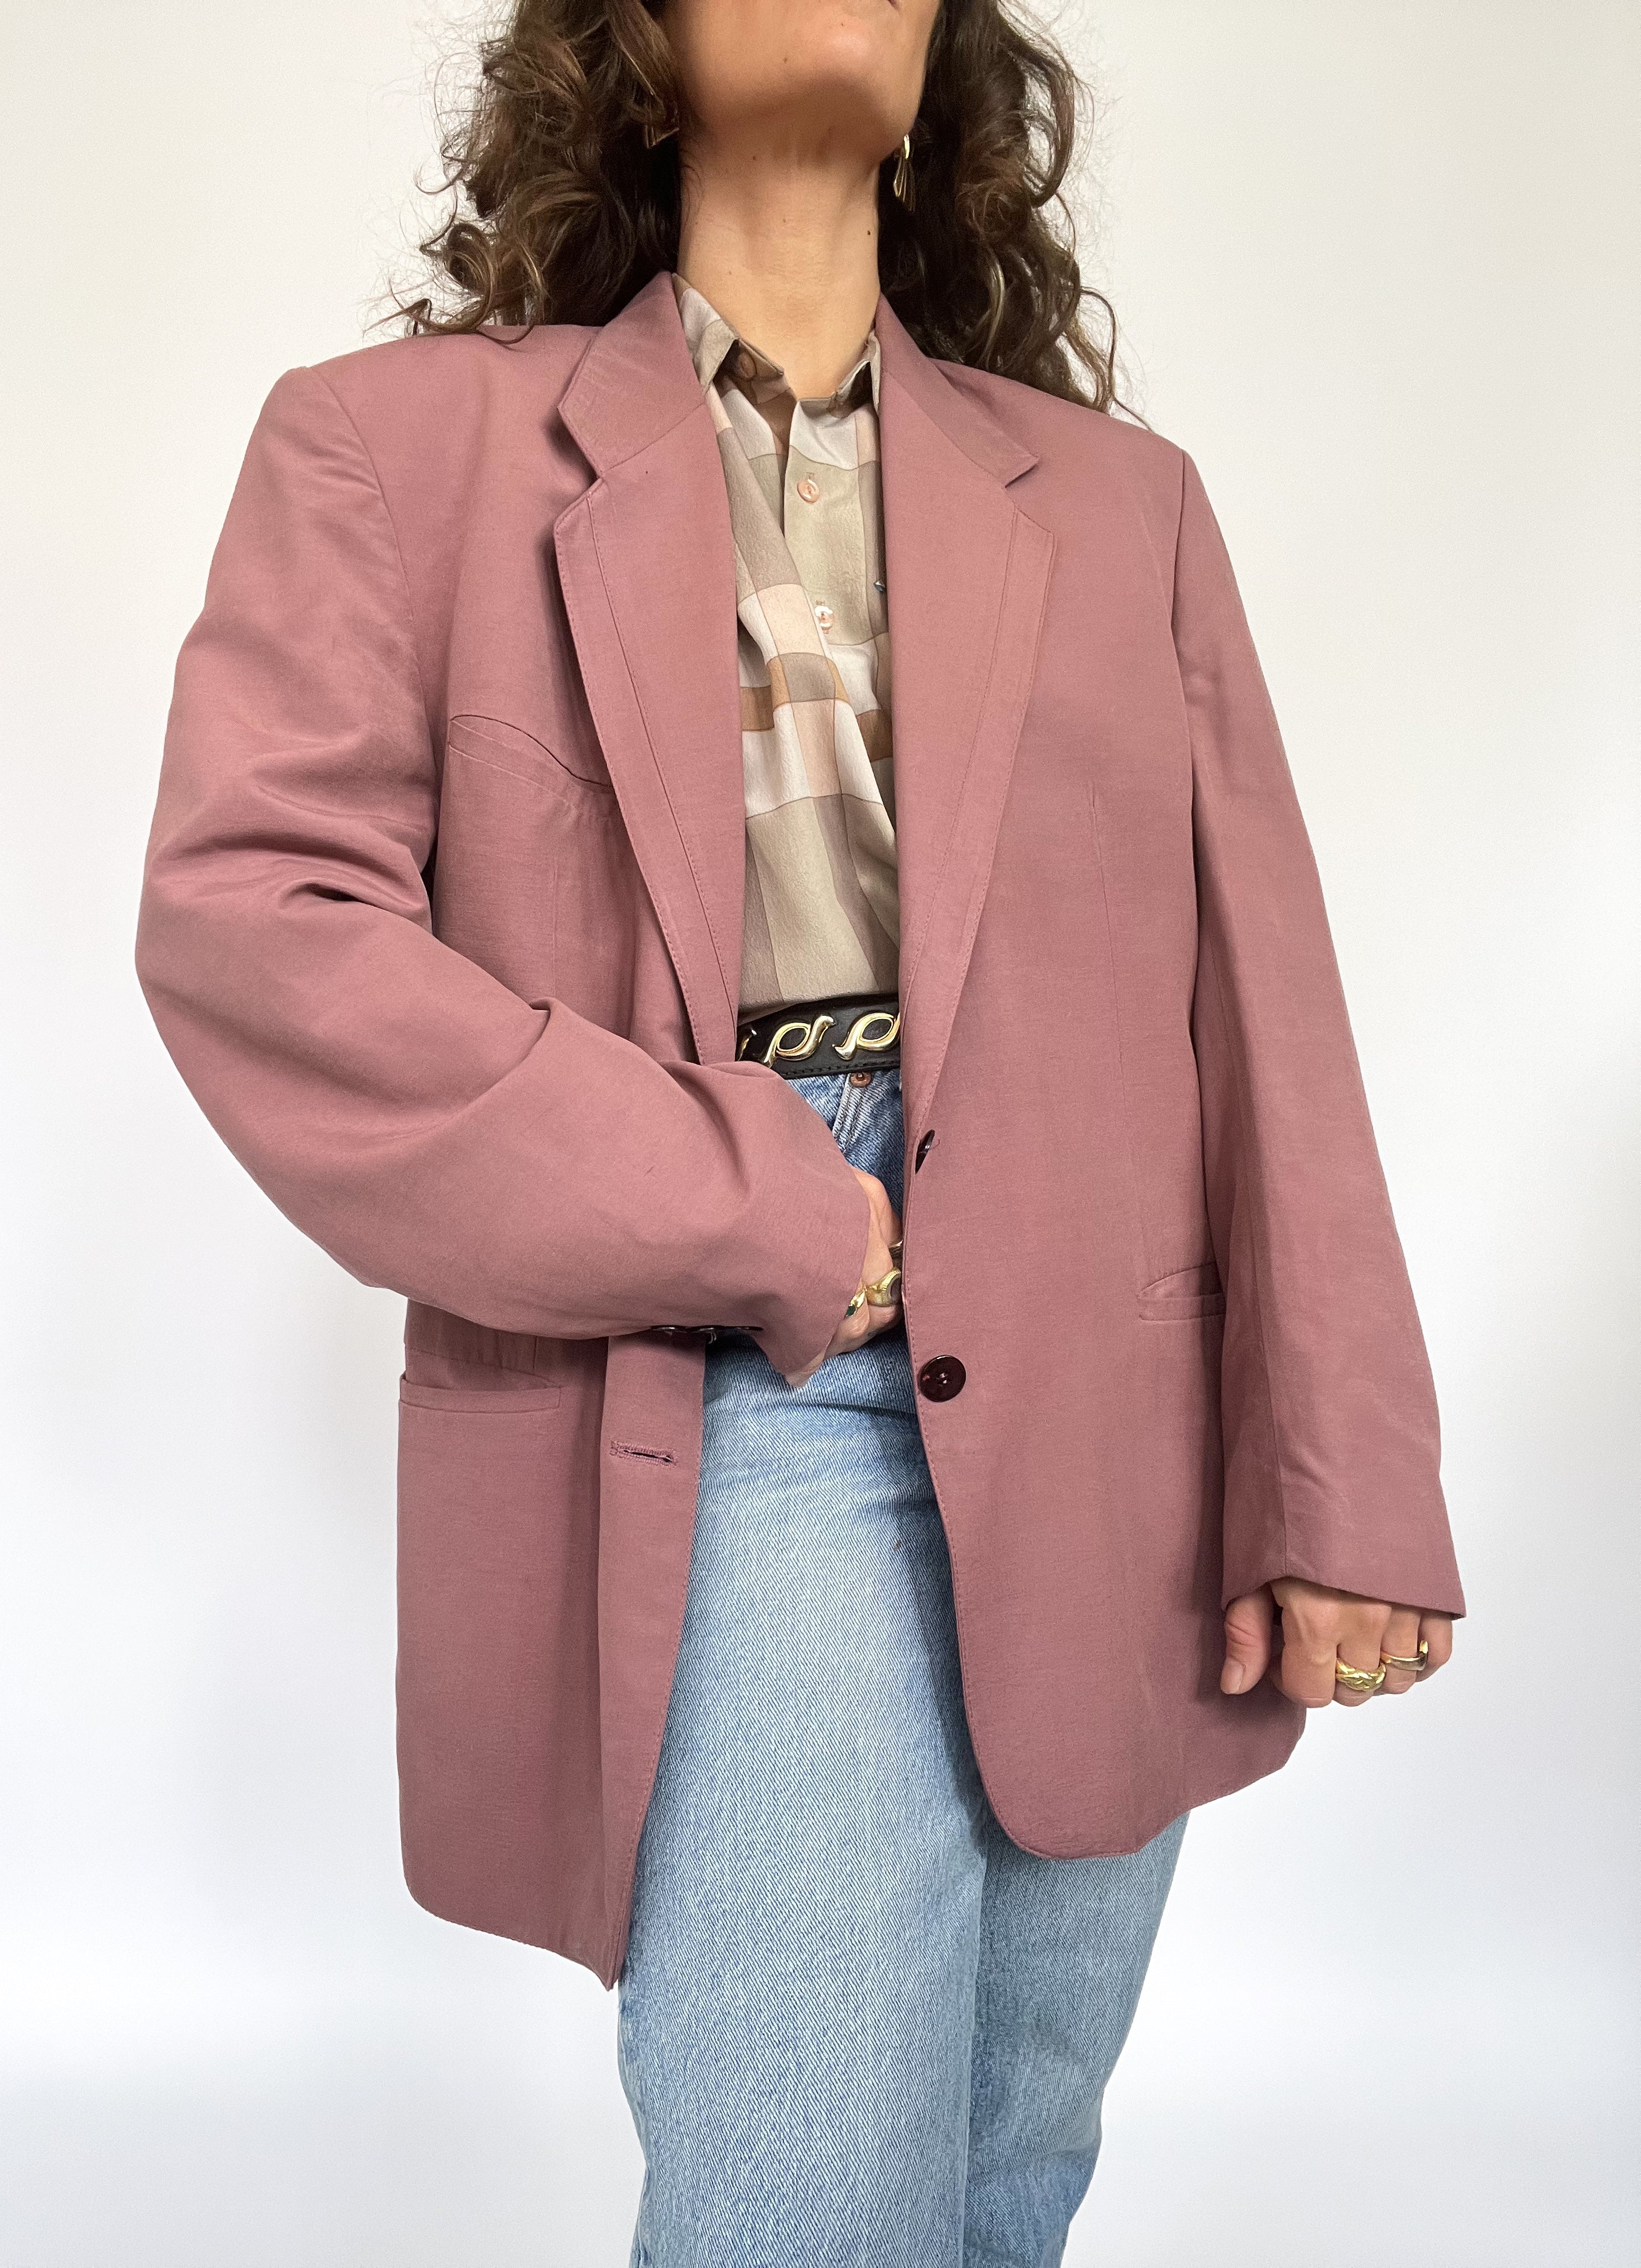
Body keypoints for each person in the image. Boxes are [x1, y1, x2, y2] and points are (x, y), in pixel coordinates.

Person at [136, 0, 1466, 2257]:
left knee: (1005, 2194)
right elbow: (261, 932)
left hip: (1113, 1419)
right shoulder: (394, 452)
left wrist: (1341, 1471)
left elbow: (1265, 1007)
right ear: (627, 46)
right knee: (811, 2217)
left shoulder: (1121, 505)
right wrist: (763, 1205)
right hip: (732, 1364)